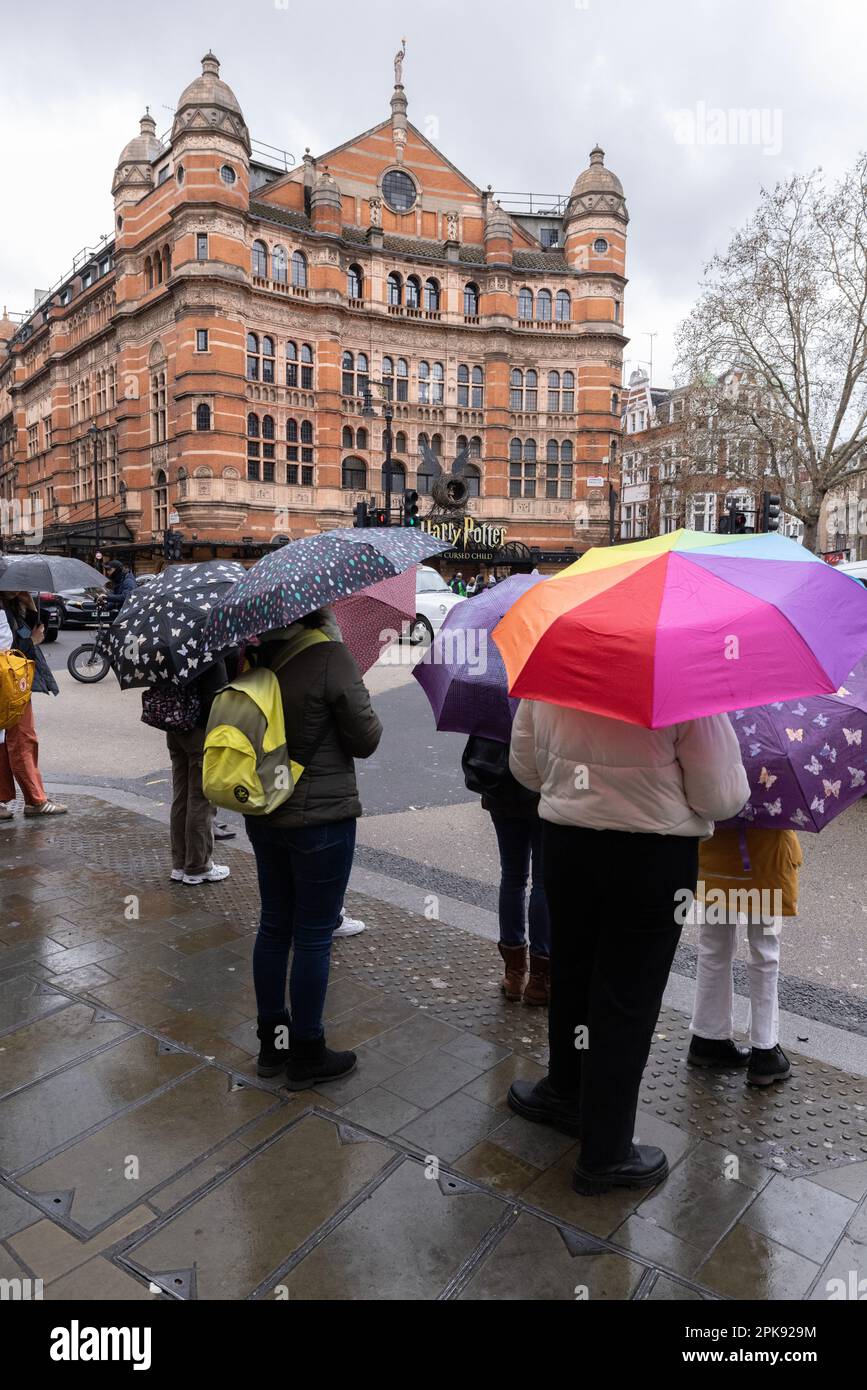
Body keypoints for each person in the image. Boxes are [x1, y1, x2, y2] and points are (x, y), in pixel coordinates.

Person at [506, 700, 749, 1196]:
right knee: (626, 999)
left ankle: (566, 1090)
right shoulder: (685, 688)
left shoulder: (553, 672)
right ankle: (607, 1152)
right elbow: (720, 797)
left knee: (574, 974)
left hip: (568, 847)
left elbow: (525, 769)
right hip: (651, 859)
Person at [245, 607, 382, 1090]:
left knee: (274, 925)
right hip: (321, 817)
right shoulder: (330, 654)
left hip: (264, 811)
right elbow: (366, 739)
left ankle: (271, 1045)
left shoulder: (255, 654)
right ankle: (307, 1052)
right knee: (314, 934)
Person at [688, 826, 799, 1086]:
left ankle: (707, 1036)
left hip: (716, 856)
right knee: (764, 951)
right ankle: (765, 1049)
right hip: (766, 860)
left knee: (713, 946)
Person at [462, 735, 550, 1005]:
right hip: (542, 793)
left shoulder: (493, 691)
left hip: (500, 786)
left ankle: (514, 975)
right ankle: (539, 981)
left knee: (512, 877)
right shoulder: (548, 694)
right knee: (543, 883)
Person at [162, 659, 233, 886]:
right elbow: (217, 700)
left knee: (181, 796)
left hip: (174, 727)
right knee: (201, 799)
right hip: (199, 730)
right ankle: (198, 866)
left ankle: (180, 864)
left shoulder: (171, 641)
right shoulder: (208, 650)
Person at [0, 592, 67, 818]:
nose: (21, 588)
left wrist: (30, 607)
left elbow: (28, 630)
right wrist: (32, 642)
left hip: (11, 683)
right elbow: (9, 651)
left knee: (11, 741)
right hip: (8, 684)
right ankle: (36, 800)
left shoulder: (11, 605)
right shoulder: (3, 609)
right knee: (22, 740)